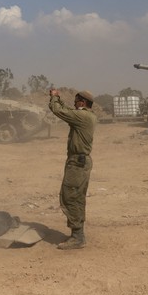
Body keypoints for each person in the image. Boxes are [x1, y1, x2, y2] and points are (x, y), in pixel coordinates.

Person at [48, 88, 97, 250]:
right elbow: (68, 110)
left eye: (76, 101)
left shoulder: (81, 116)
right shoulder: (86, 116)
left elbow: (58, 111)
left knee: (70, 197)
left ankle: (77, 236)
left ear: (82, 102)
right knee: (78, 197)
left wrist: (54, 98)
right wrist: (60, 99)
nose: (74, 104)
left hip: (77, 163)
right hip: (81, 162)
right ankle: (78, 233)